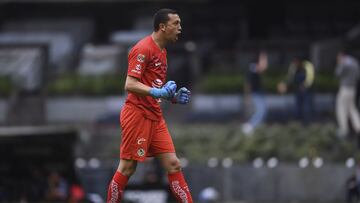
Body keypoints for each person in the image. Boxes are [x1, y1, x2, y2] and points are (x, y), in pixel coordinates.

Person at [106, 9, 193, 203]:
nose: (180, 28)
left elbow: (153, 85)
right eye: (176, 24)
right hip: (137, 114)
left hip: (155, 115)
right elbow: (129, 84)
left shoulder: (162, 51)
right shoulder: (143, 48)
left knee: (173, 164)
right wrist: (157, 92)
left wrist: (172, 97)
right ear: (162, 27)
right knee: (127, 168)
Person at [277, 57, 315, 124]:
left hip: (307, 90)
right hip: (297, 88)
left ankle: (308, 121)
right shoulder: (293, 66)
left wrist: (304, 86)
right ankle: (298, 121)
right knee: (298, 106)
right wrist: (284, 83)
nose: (295, 64)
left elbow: (310, 77)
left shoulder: (307, 65)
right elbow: (290, 77)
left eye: (296, 62)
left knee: (307, 106)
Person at [241, 51, 268, 135]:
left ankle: (253, 127)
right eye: (261, 59)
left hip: (258, 92)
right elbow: (247, 83)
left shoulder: (253, 67)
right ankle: (249, 126)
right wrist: (247, 95)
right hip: (255, 93)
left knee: (261, 110)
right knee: (262, 110)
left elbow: (262, 69)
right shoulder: (252, 67)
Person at [335, 51, 360, 139]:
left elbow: (337, 73)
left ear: (342, 56)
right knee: (352, 108)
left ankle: (343, 130)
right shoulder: (354, 62)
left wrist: (339, 64)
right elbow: (358, 76)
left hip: (345, 88)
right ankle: (358, 127)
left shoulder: (344, 63)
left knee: (341, 108)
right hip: (353, 88)